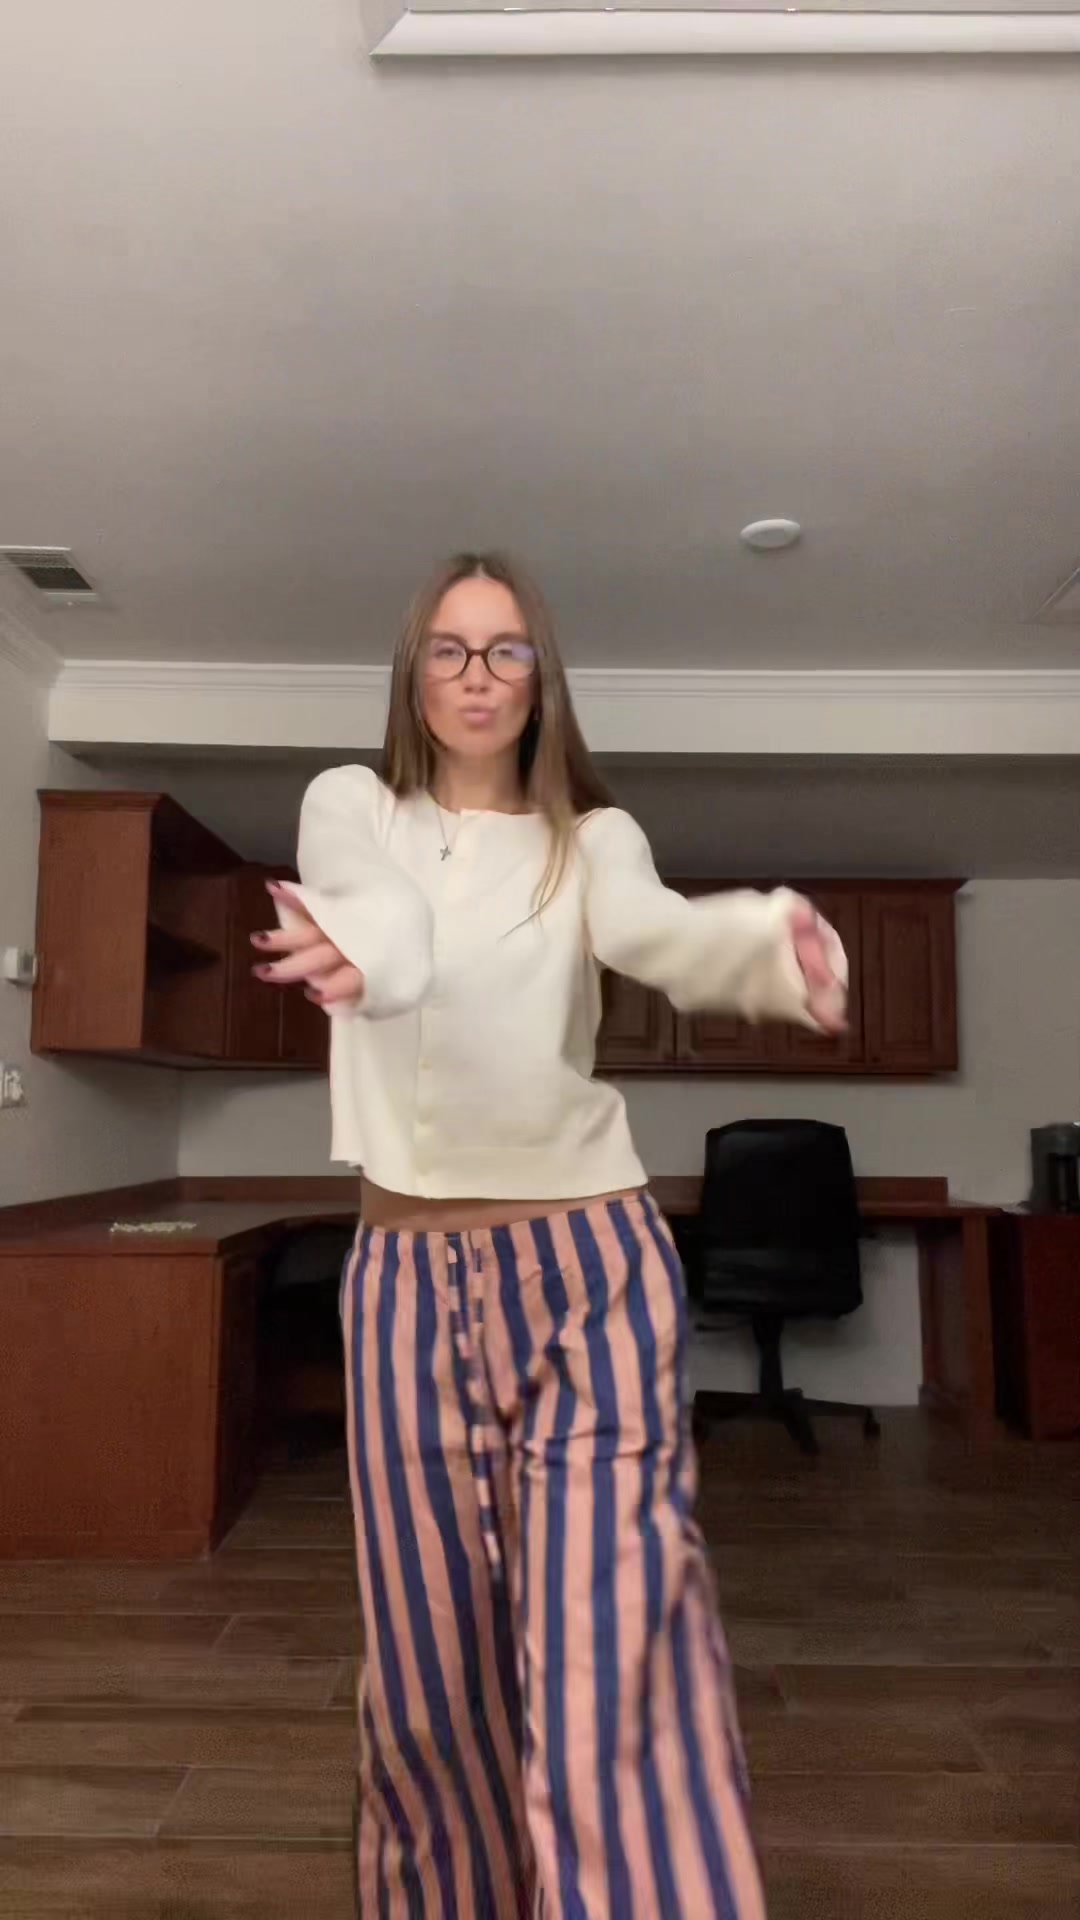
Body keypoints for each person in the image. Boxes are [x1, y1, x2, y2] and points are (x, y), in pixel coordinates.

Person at [252, 552, 846, 1920]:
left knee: (611, 1640)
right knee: (427, 1671)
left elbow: (660, 934)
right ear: (414, 674)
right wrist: (365, 959)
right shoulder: (352, 805)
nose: (478, 675)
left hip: (589, 1267)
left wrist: (769, 949)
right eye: (450, 650)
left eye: (507, 650)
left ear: (541, 680)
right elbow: (381, 912)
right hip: (404, 1282)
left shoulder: (595, 840)